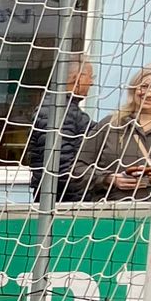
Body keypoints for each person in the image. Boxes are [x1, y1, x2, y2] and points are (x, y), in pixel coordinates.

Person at [64, 61, 151, 203]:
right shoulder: (111, 124)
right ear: (134, 88)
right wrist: (109, 179)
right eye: (144, 86)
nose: (148, 93)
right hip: (110, 213)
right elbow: (76, 170)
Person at [27, 58, 94, 202]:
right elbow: (61, 167)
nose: (92, 82)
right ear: (77, 78)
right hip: (64, 200)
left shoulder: (67, 109)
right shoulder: (58, 111)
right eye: (91, 77)